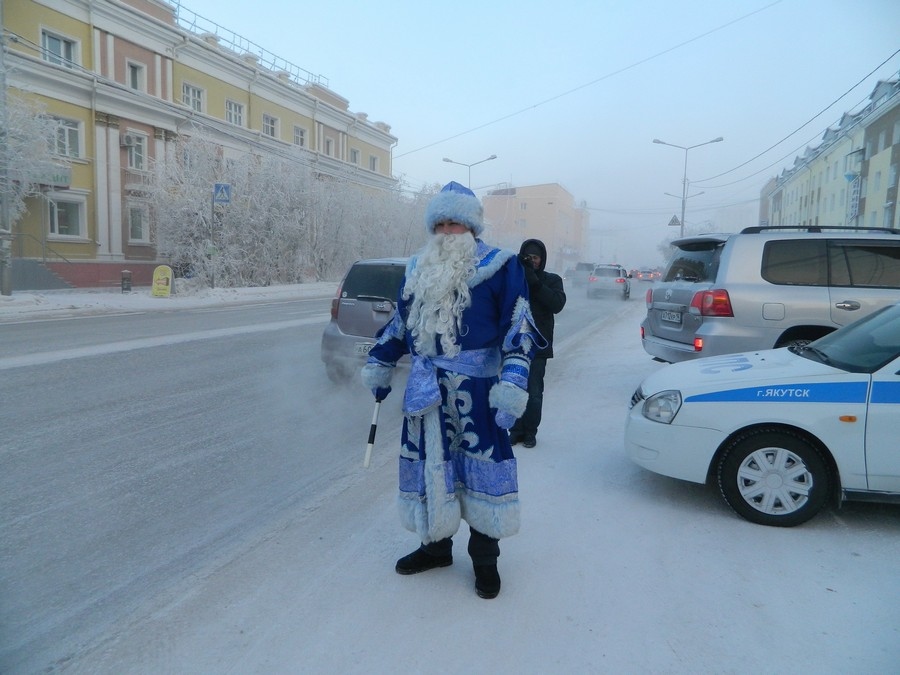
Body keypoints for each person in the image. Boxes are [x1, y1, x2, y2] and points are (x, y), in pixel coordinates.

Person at [361, 181, 544, 600]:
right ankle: (435, 547)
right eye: (440, 224)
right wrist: (382, 360)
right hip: (427, 391)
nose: (446, 233)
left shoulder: (501, 266)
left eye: (455, 224)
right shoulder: (417, 267)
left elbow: (520, 326)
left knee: (479, 469)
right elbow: (401, 323)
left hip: (477, 392)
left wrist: (513, 383)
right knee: (431, 468)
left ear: (472, 228)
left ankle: (485, 560)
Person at [509, 239, 566, 448]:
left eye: (535, 257)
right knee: (514, 390)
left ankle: (530, 432)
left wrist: (535, 283)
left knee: (533, 394)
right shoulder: (514, 280)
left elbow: (557, 304)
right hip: (514, 345)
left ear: (542, 259)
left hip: (538, 347)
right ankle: (515, 430)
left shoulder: (552, 280)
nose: (532, 261)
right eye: (528, 258)